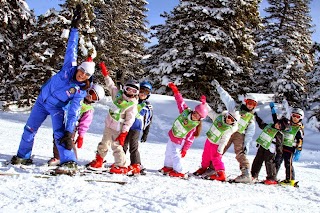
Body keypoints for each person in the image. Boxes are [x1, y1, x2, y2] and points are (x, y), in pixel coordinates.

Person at [11, 5, 94, 173]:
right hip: (41, 102)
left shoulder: (79, 92)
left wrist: (70, 132)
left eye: (86, 75)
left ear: (88, 78)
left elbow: (74, 112)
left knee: (60, 134)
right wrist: (74, 28)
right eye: (82, 70)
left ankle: (68, 161)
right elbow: (71, 47)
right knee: (29, 129)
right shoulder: (67, 68)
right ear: (79, 68)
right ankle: (23, 156)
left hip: (56, 108)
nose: (82, 75)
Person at [87, 62, 138, 174]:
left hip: (118, 128)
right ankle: (99, 160)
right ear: (125, 88)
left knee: (117, 147)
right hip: (109, 124)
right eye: (129, 89)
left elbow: (130, 120)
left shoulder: (132, 104)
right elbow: (110, 85)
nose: (131, 92)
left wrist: (124, 133)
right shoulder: (118, 94)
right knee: (104, 143)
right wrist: (106, 74)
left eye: (134, 91)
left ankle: (121, 165)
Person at [204, 80, 257, 183]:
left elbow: (250, 133)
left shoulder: (251, 118)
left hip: (239, 134)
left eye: (253, 104)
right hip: (228, 131)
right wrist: (219, 87)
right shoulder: (235, 109)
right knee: (220, 149)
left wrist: (246, 144)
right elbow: (227, 98)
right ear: (245, 102)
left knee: (240, 153)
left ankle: (246, 173)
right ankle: (213, 168)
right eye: (249, 102)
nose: (250, 105)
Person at [47, 84, 105, 166]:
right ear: (88, 90)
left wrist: (81, 135)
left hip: (72, 125)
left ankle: (72, 158)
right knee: (57, 138)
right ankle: (57, 157)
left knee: (68, 141)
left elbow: (84, 124)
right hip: (62, 119)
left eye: (94, 98)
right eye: (91, 93)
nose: (90, 97)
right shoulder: (77, 96)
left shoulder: (88, 110)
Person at [158, 82, 208, 179]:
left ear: (200, 119)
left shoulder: (193, 126)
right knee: (168, 152)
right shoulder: (185, 112)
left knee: (176, 155)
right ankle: (168, 167)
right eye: (195, 113)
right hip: (172, 135)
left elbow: (190, 139)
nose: (195, 115)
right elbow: (180, 101)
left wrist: (185, 149)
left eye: (198, 116)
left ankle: (180, 171)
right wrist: (175, 91)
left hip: (179, 140)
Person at [193, 80, 239, 182]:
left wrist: (220, 150)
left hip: (216, 144)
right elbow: (210, 112)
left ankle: (221, 173)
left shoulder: (228, 129)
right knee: (205, 156)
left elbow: (225, 140)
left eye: (232, 120)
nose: (229, 119)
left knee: (216, 158)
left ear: (233, 122)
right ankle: (203, 168)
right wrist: (204, 104)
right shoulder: (219, 118)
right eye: (229, 117)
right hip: (209, 140)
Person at [251, 111, 290, 185]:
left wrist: (279, 155)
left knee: (269, 163)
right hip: (262, 145)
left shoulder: (279, 134)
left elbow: (279, 145)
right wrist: (256, 117)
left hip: (270, 149)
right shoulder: (269, 126)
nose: (277, 126)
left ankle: (272, 178)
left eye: (280, 127)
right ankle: (254, 175)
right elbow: (261, 124)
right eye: (278, 124)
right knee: (257, 160)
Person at [123, 81, 153, 175]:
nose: (143, 94)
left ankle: (136, 164)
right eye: (142, 91)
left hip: (136, 127)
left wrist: (145, 133)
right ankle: (120, 162)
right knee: (122, 145)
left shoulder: (147, 106)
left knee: (133, 146)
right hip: (126, 126)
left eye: (146, 93)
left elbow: (149, 120)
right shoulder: (131, 100)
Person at [271, 103, 304, 186]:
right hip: (281, 147)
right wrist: (273, 112)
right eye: (294, 115)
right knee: (277, 162)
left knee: (288, 163)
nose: (295, 118)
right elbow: (276, 122)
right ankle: (272, 177)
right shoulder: (286, 124)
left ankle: (290, 179)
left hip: (290, 148)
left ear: (301, 118)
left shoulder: (298, 129)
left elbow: (300, 140)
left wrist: (298, 150)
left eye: (298, 117)